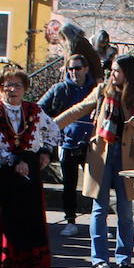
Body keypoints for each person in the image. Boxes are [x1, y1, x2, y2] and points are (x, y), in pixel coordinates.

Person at [56, 54, 134, 268]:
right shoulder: (102, 90)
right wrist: (50, 125)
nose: (113, 74)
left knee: (125, 211)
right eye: (111, 70)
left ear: (129, 73)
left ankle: (123, 258)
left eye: (117, 71)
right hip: (101, 155)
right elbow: (77, 110)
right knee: (99, 209)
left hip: (127, 158)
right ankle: (100, 258)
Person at [0, 68, 62, 268]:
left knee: (30, 225)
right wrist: (11, 159)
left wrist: (45, 151)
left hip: (29, 173)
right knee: (1, 227)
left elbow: (53, 131)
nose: (11, 89)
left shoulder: (34, 111)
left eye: (17, 85)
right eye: (7, 85)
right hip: (1, 174)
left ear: (24, 89)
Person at [39, 53, 97, 239]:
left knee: (97, 185)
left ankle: (97, 223)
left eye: (78, 68)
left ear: (86, 69)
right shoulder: (59, 89)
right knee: (69, 185)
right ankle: (70, 221)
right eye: (70, 68)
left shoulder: (95, 88)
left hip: (92, 144)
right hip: (67, 143)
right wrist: (52, 129)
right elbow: (38, 108)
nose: (73, 72)